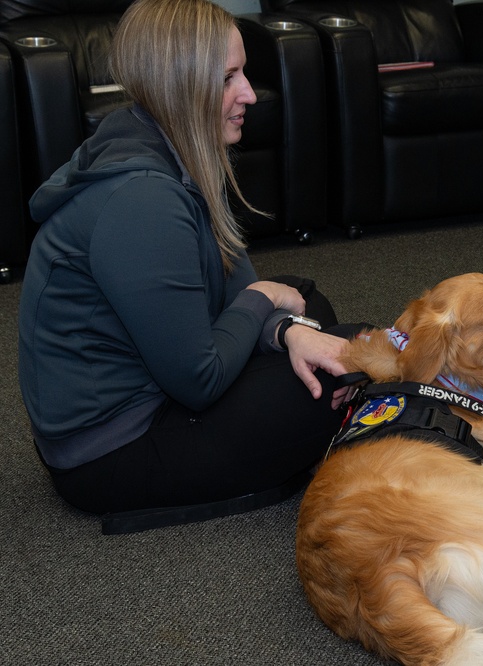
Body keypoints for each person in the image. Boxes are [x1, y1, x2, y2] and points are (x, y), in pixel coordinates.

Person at [17, 0, 363, 533]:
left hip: (158, 386)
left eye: (242, 72)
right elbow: (200, 379)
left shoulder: (161, 140)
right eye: (229, 78)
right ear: (181, 86)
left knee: (309, 306)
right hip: (110, 452)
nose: (249, 92)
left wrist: (283, 326)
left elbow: (236, 279)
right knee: (343, 366)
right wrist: (268, 307)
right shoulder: (142, 202)